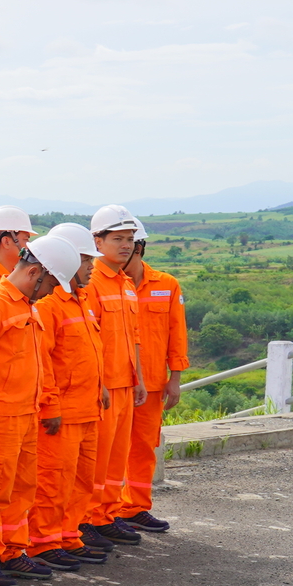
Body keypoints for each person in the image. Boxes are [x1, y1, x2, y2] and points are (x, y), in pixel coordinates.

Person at [0, 237, 73, 586]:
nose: (52, 291)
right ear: (36, 272)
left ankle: (11, 550)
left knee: (21, 488)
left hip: (24, 413)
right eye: (52, 284)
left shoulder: (28, 306)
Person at [29, 225, 109, 570]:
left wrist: (101, 386)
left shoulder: (83, 300)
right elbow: (42, 360)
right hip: (62, 411)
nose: (92, 266)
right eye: (85, 260)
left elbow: (89, 351)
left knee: (80, 480)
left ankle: (67, 535)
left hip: (88, 407)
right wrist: (51, 404)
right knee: (53, 480)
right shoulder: (49, 303)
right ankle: (43, 541)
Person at [82, 205, 148, 547]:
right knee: (98, 457)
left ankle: (106, 514)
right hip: (103, 386)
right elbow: (87, 340)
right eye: (118, 239)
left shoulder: (124, 283)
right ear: (98, 240)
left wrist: (138, 377)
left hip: (125, 383)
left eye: (130, 239)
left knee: (116, 458)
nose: (126, 246)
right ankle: (87, 518)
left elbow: (134, 335)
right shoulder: (92, 281)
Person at [119, 223, 186, 532]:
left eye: (128, 243)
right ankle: (104, 512)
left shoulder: (166, 284)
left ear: (139, 248)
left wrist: (176, 377)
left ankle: (135, 506)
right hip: (116, 382)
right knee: (109, 451)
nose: (121, 251)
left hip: (155, 381)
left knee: (144, 447)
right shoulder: (100, 285)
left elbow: (176, 333)